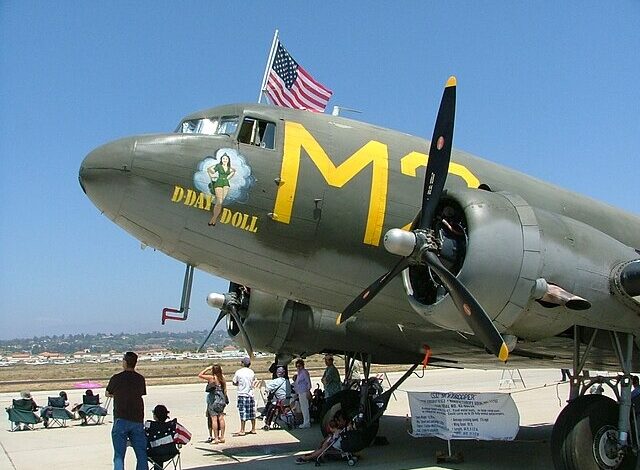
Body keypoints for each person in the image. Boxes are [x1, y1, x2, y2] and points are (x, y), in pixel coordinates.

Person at [106, 351, 147, 470]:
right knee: (141, 454)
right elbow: (141, 393)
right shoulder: (140, 379)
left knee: (119, 455)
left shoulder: (116, 378)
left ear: (124, 362)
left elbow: (108, 392)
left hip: (121, 419)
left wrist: (118, 395)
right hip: (137, 419)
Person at [198, 363, 228, 444]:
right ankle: (222, 437)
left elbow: (200, 375)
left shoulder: (212, 378)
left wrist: (207, 369)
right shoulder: (222, 378)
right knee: (221, 419)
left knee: (214, 419)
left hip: (213, 400)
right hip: (221, 400)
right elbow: (225, 390)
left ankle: (216, 438)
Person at [208, 153, 236, 226]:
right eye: (223, 158)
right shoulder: (218, 166)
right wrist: (211, 168)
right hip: (219, 182)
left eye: (226, 159)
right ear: (221, 159)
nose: (225, 160)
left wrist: (228, 178)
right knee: (219, 201)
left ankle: (213, 220)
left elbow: (233, 172)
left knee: (220, 202)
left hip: (226, 183)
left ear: (228, 160)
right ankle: (213, 219)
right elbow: (211, 171)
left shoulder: (229, 168)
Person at [232, 356, 257, 435]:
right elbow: (254, 382)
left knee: (243, 412)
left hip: (242, 394)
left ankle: (242, 430)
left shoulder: (238, 372)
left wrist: (238, 384)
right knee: (252, 412)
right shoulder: (251, 372)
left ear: (243, 363)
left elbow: (234, 382)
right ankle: (253, 429)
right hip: (250, 394)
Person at [294, 358, 312, 428]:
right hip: (300, 392)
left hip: (304, 392)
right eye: (297, 366)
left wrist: (308, 391)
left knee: (305, 407)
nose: (298, 367)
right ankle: (305, 421)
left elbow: (308, 382)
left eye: (300, 366)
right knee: (303, 407)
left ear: (303, 366)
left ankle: (306, 422)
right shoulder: (299, 373)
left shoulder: (304, 372)